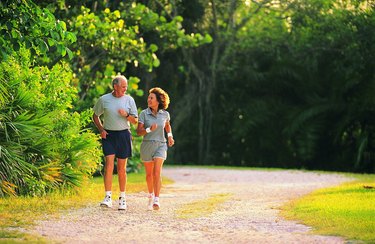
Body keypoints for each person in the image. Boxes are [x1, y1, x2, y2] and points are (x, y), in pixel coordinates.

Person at [92, 75, 138, 210]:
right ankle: (108, 197)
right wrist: (101, 129)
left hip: (124, 134)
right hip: (109, 135)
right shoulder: (104, 99)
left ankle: (122, 198)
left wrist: (126, 115)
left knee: (122, 168)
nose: (125, 89)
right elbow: (95, 115)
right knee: (109, 165)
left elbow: (135, 120)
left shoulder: (129, 100)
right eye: (123, 86)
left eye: (126, 87)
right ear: (115, 86)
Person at [137, 87, 174, 210]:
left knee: (157, 172)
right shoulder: (143, 113)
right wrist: (148, 129)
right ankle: (151, 194)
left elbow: (167, 126)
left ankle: (157, 199)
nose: (149, 100)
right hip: (147, 145)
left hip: (161, 144)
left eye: (151, 98)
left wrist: (169, 136)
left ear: (158, 100)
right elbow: (138, 132)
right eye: (148, 98)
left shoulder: (165, 114)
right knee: (149, 175)